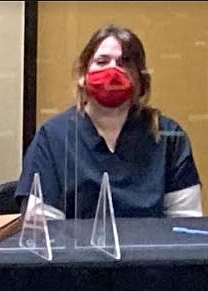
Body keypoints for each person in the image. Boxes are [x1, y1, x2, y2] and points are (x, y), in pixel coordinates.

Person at [16, 24, 202, 219]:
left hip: (150, 249)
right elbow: (43, 230)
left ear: (140, 77)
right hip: (76, 250)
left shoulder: (169, 137)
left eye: (124, 63)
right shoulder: (53, 137)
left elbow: (185, 227)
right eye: (102, 61)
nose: (113, 70)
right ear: (83, 75)